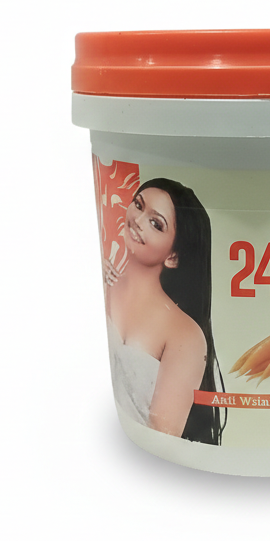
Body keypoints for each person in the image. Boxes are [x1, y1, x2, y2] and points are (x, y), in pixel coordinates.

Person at [102, 177, 222, 445]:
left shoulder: (185, 335)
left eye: (156, 223)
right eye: (138, 204)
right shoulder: (104, 282)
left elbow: (163, 437)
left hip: (147, 460)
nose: (138, 220)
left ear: (173, 257)